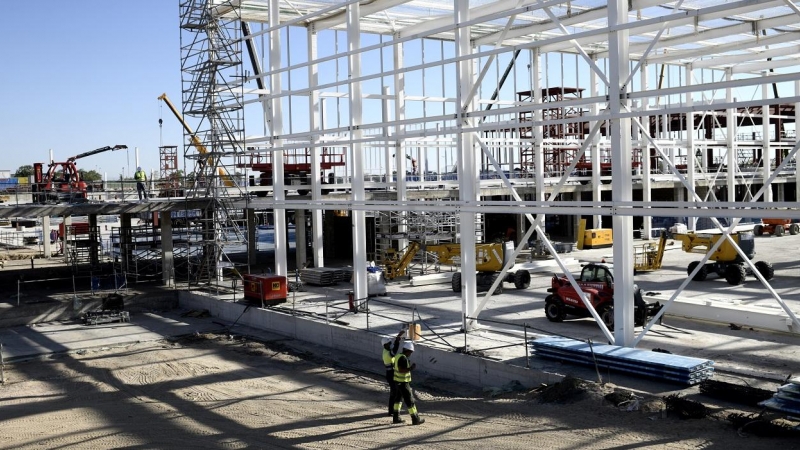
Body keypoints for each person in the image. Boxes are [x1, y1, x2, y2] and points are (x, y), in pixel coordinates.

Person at [392, 341, 425, 425]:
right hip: (403, 383)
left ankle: (396, 418)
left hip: (397, 381)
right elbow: (401, 370)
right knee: (410, 401)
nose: (411, 354)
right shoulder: (403, 358)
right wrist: (411, 368)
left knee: (398, 400)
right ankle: (415, 419)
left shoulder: (398, 356)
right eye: (411, 352)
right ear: (408, 351)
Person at [381, 330, 405, 416]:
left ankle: (392, 410)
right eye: (389, 343)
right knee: (394, 392)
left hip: (392, 374)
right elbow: (394, 350)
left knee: (395, 392)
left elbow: (393, 349)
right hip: (391, 374)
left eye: (390, 343)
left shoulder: (385, 350)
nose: (390, 344)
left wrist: (397, 339)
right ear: (385, 345)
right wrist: (397, 339)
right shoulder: (387, 354)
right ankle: (391, 410)